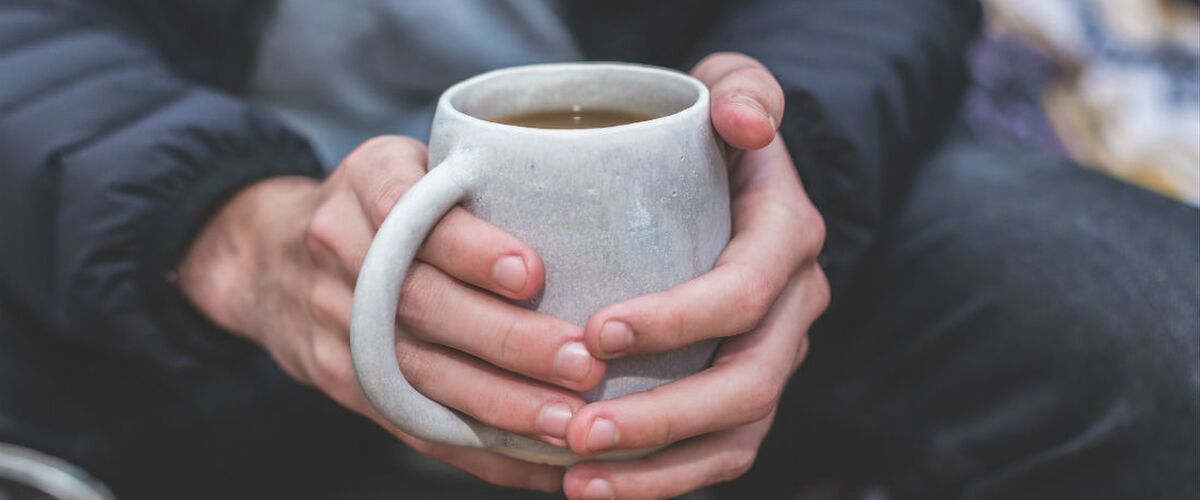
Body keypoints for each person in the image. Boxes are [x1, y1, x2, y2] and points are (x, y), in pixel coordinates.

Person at [0, 1, 1195, 499]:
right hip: (147, 191)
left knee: (1163, 333)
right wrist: (218, 226)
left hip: (732, 174)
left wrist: (798, 145)